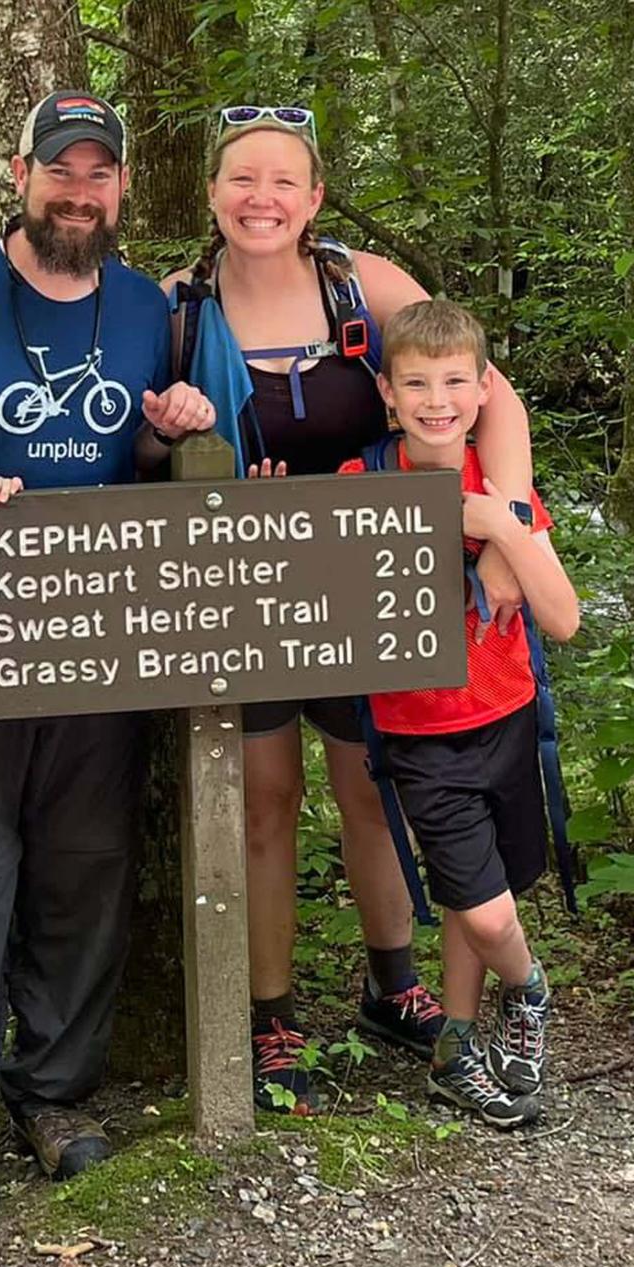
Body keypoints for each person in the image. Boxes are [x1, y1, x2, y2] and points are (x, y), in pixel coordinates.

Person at [0, 89, 214, 1228]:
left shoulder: (145, 308)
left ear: (120, 186)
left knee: (85, 870)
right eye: (60, 171)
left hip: (104, 642)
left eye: (99, 173)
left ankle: (54, 1096)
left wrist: (173, 431)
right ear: (19, 175)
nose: (80, 191)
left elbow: (164, 454)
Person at [161, 106, 538, 1115]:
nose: (263, 199)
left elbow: (488, 395)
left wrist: (506, 528)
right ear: (211, 192)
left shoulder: (362, 284)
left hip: (379, 583)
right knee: (268, 799)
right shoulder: (177, 307)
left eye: (285, 181)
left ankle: (392, 984)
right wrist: (175, 445)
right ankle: (273, 1014)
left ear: (315, 197)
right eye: (243, 179)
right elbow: (138, 450)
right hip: (245, 590)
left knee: (373, 787)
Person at [339, 298, 578, 1126]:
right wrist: (449, 516)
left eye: (453, 382)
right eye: (416, 384)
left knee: (471, 898)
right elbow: (326, 597)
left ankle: (457, 1051)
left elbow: (564, 618)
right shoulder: (358, 485)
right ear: (388, 393)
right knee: (484, 906)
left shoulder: (503, 489)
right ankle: (531, 990)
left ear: (482, 392)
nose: (436, 399)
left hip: (506, 721)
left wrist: (501, 530)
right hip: (418, 737)